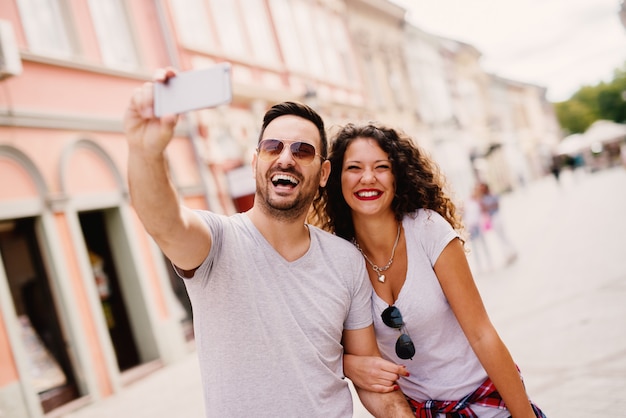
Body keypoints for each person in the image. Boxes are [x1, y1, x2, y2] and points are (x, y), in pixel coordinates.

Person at [123, 69, 413, 418]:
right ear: (255, 162)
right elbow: (165, 223)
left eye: (303, 150)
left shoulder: (345, 260)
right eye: (272, 146)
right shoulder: (217, 244)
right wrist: (145, 151)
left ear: (323, 174)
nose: (286, 158)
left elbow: (371, 378)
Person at [315, 122, 546, 417]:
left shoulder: (427, 228)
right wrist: (348, 363)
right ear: (336, 178)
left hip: (483, 402)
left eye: (381, 167)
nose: (368, 178)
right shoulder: (340, 259)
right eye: (354, 168)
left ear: (398, 175)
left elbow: (482, 334)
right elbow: (359, 362)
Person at [477, 182, 518, 266]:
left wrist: (487, 207)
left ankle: (512, 250)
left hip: (497, 216)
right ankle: (507, 254)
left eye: (482, 188)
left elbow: (496, 205)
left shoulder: (492, 195)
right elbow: (483, 209)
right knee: (499, 237)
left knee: (503, 235)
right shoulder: (482, 199)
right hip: (492, 218)